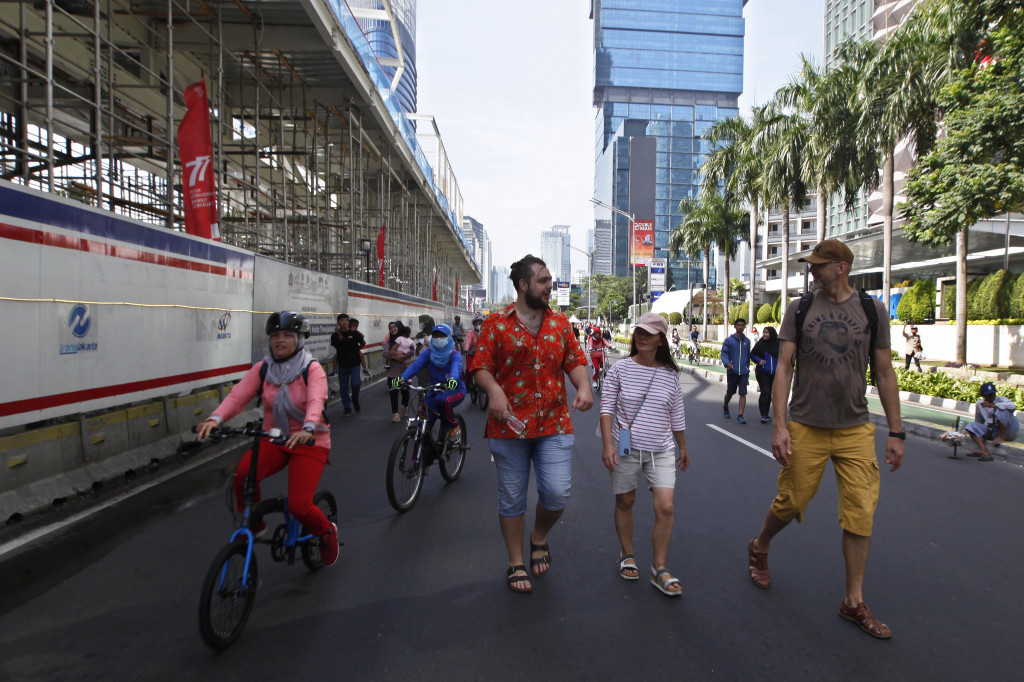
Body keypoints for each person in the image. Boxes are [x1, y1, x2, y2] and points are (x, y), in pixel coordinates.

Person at [746, 239, 904, 640]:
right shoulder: (799, 309)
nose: (811, 272)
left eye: (818, 266)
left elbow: (884, 373)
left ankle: (853, 601)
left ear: (841, 268)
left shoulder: (872, 310)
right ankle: (761, 544)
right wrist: (779, 425)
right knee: (793, 499)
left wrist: (897, 431)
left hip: (854, 428)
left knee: (860, 512)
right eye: (811, 266)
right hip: (807, 424)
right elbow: (783, 369)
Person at [469, 255, 593, 594]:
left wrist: (583, 386)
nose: (549, 285)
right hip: (509, 427)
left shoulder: (561, 324)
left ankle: (539, 536)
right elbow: (480, 367)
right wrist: (493, 390)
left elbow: (576, 361)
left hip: (554, 423)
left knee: (556, 493)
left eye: (550, 279)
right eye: (542, 280)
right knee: (511, 498)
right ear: (523, 285)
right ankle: (515, 561)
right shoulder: (496, 324)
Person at [195, 311, 338, 566]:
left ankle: (327, 531)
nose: (279, 340)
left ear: (299, 339)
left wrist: (307, 428)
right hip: (275, 438)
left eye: (286, 335)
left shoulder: (311, 369)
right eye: (275, 336)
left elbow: (317, 401)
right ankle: (255, 522)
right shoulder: (264, 368)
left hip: (309, 441)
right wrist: (215, 419)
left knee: (299, 506)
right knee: (241, 476)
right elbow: (238, 396)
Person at [599, 313, 689, 597]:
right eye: (639, 331)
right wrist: (607, 446)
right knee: (626, 500)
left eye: (649, 333)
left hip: (661, 449)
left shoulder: (670, 375)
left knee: (665, 507)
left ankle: (659, 568)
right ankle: (628, 553)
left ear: (661, 339)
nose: (641, 336)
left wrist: (683, 447)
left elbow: (677, 415)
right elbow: (606, 409)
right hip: (625, 445)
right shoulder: (620, 370)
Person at [398, 323, 466, 440]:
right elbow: (416, 366)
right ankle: (421, 456)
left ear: (449, 338)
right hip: (434, 390)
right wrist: (401, 378)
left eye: (442, 336)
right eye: (435, 336)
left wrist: (453, 380)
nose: (438, 339)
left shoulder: (455, 354)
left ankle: (453, 427)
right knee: (422, 428)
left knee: (443, 400)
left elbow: (456, 367)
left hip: (455, 390)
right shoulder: (428, 353)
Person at [964, 382, 1020, 461]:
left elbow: (1013, 406)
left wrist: (994, 405)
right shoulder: (980, 404)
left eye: (992, 394)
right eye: (988, 395)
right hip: (994, 431)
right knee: (971, 426)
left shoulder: (1001, 399)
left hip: (1010, 430)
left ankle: (1001, 436)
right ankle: (984, 450)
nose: (991, 396)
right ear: (983, 396)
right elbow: (979, 421)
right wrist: (972, 431)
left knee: (1001, 410)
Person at [330, 313, 365, 416]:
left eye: (346, 320)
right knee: (343, 388)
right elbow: (336, 348)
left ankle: (355, 400)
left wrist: (356, 350)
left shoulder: (354, 334)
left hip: (354, 364)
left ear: (348, 322)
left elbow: (363, 342)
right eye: (341, 320)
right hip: (342, 365)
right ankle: (347, 408)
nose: (344, 322)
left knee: (355, 384)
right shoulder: (335, 336)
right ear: (338, 323)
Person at [383, 321, 415, 422]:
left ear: (398, 328)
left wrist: (403, 356)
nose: (393, 329)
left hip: (404, 371)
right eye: (390, 328)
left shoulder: (405, 340)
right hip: (393, 371)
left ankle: (405, 407)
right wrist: (397, 357)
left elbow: (411, 351)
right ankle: (395, 414)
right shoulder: (388, 342)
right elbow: (385, 353)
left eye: (394, 327)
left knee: (405, 391)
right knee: (393, 391)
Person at [721, 318, 751, 424]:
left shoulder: (747, 341)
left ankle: (740, 415)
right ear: (735, 326)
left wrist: (747, 369)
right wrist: (727, 363)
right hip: (732, 371)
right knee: (730, 392)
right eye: (739, 325)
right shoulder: (729, 340)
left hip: (743, 372)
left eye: (743, 325)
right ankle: (725, 406)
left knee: (743, 393)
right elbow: (724, 353)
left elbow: (748, 356)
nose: (741, 327)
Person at [750, 326, 780, 424]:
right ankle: (763, 414)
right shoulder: (761, 344)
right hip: (762, 372)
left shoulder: (778, 344)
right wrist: (759, 360)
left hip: (774, 373)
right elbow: (752, 354)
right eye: (764, 332)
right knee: (765, 391)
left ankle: (766, 414)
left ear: (772, 333)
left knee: (769, 392)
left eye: (767, 332)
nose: (765, 335)